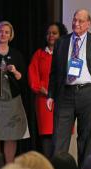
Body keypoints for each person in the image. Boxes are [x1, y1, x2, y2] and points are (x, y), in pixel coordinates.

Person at [47, 9, 91, 168]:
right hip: (65, 94)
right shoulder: (62, 42)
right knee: (59, 140)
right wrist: (50, 95)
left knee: (86, 140)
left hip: (89, 93)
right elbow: (54, 72)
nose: (76, 23)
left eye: (81, 21)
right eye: (74, 20)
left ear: (88, 24)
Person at [0, 21, 30, 163]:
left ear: (11, 36)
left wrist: (14, 71)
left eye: (6, 32)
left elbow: (23, 79)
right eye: (1, 31)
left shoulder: (17, 55)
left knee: (11, 135)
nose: (3, 34)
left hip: (12, 98)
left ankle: (9, 167)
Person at [28, 22, 68, 158]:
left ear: (61, 35)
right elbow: (33, 78)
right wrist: (44, 90)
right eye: (48, 33)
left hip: (63, 100)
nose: (51, 35)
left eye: (54, 33)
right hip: (44, 101)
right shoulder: (39, 54)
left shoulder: (67, 53)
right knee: (47, 137)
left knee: (61, 136)